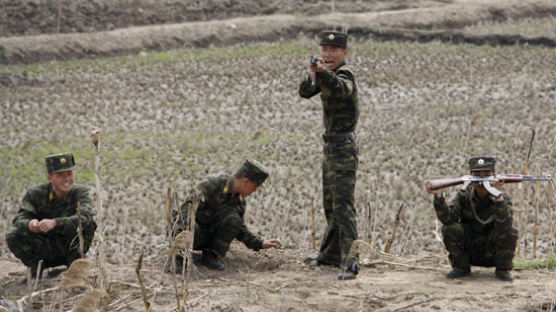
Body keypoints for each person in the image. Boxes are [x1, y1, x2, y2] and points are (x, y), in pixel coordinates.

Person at [299, 30, 360, 280]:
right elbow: (304, 92)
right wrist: (314, 72)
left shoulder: (345, 74)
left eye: (333, 51)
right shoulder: (325, 74)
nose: (328, 54)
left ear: (345, 53)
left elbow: (342, 89)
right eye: (324, 50)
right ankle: (331, 255)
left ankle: (351, 261)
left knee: (343, 205)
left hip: (343, 150)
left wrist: (323, 73)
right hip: (330, 149)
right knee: (330, 204)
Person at [171, 159, 280, 272]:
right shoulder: (212, 185)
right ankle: (179, 260)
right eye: (255, 187)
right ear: (246, 181)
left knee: (234, 220)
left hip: (207, 237)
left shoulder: (240, 202)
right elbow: (187, 207)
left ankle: (211, 256)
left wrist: (260, 243)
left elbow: (239, 228)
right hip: (191, 232)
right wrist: (186, 231)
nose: (254, 191)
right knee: (189, 225)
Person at [6, 153, 97, 282]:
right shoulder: (36, 194)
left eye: (69, 174)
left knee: (89, 224)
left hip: (70, 248)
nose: (67, 179)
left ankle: (74, 267)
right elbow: (19, 219)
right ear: (50, 178)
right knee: (12, 235)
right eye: (61, 176)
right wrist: (30, 224)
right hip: (45, 246)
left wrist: (55, 223)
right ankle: (36, 267)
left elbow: (86, 218)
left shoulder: (79, 192)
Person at [426, 157, 517, 281]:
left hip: (492, 252)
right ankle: (460, 268)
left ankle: (503, 270)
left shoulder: (502, 198)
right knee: (449, 228)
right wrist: (438, 196)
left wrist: (497, 196)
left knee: (510, 231)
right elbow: (447, 219)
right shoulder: (463, 196)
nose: (481, 179)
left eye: (486, 175)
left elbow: (505, 225)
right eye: (477, 175)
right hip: (470, 250)